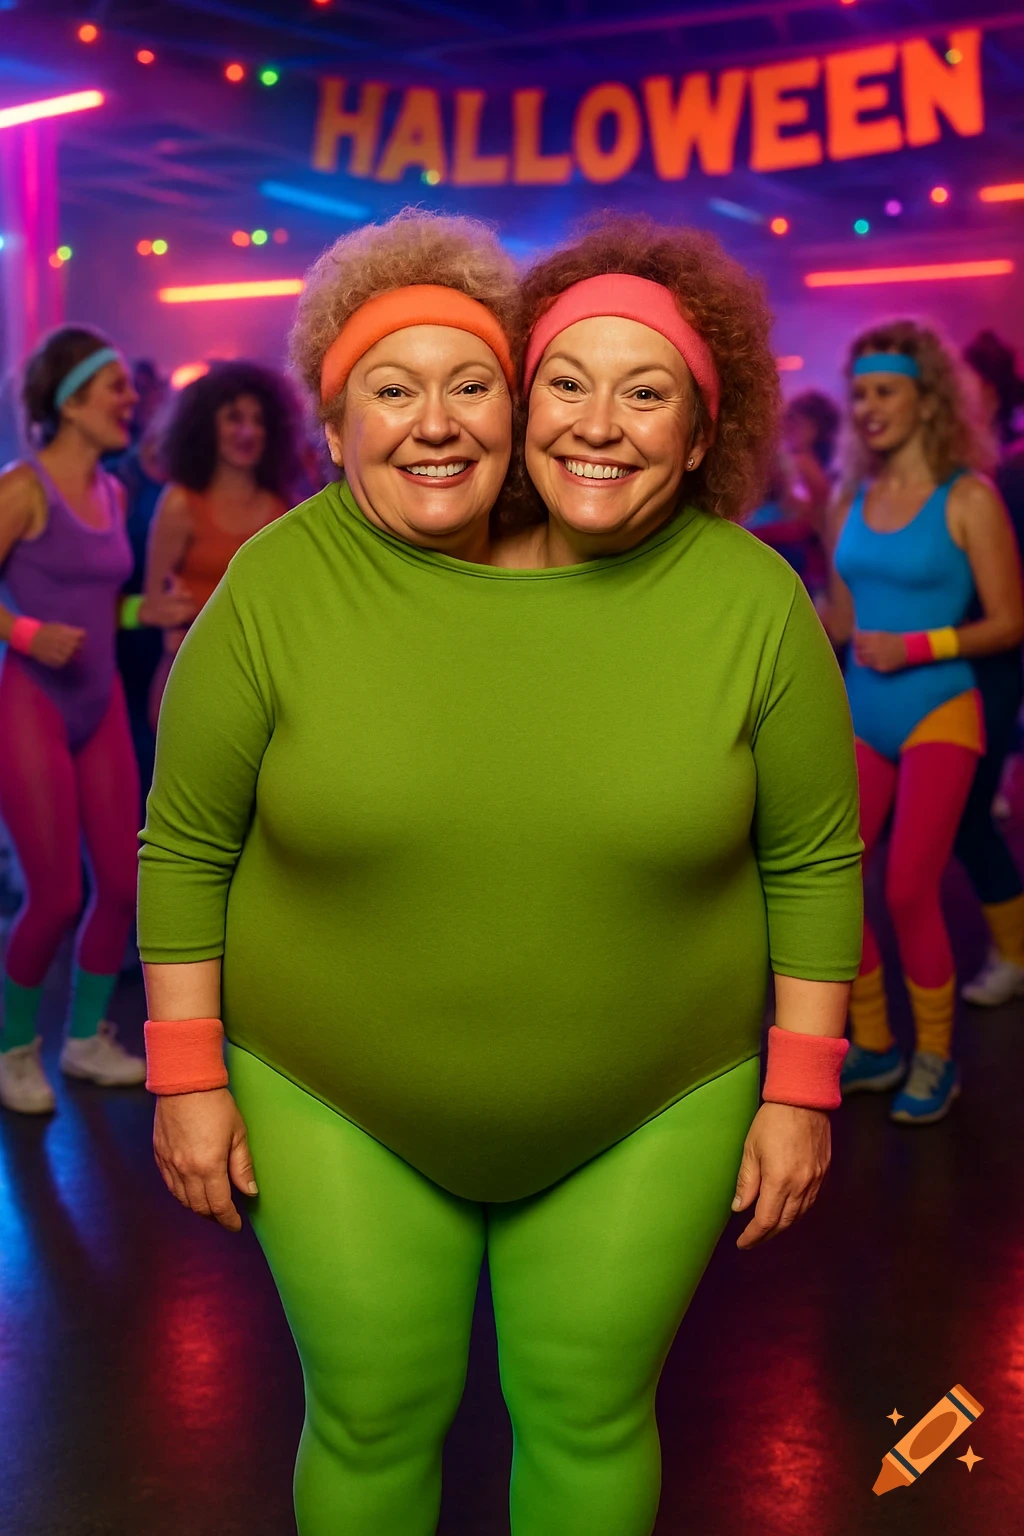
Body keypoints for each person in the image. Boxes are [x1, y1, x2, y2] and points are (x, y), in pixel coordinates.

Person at [141, 208, 861, 1536]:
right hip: (332, 1091)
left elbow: (812, 855)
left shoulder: (751, 601)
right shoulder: (278, 587)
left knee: (590, 1413)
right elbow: (187, 841)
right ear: (334, 423)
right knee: (367, 1414)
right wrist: (186, 1070)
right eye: (568, 386)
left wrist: (802, 1089)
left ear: (704, 435)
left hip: (654, 1097)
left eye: (647, 396)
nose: (598, 423)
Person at [825, 321, 1024, 1123]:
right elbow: (840, 618)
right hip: (858, 712)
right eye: (860, 393)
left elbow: (1009, 621)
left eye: (886, 391)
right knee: (835, 887)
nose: (868, 408)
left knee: (910, 888)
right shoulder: (848, 496)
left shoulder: (968, 495)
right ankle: (873, 1044)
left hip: (942, 708)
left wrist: (916, 644)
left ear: (927, 397)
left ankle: (934, 1059)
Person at [0, 326, 193, 1115]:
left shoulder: (113, 492)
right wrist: (24, 632)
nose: (131, 398)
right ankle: (14, 1052)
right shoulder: (23, 488)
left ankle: (84, 1040)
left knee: (121, 882)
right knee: (54, 896)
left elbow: (95, 600)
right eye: (114, 385)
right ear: (72, 400)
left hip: (100, 698)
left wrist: (149, 608)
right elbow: (39, 614)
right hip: (31, 701)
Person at [143, 361, 299, 725]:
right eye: (233, 418)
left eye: (259, 420)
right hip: (190, 675)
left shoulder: (280, 508)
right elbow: (152, 605)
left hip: (260, 682)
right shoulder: (181, 503)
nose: (248, 431)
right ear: (205, 426)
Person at [955, 332, 1024, 1003]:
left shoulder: (1005, 476)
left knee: (971, 815)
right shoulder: (969, 476)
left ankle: (1014, 954)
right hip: (964, 661)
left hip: (995, 662)